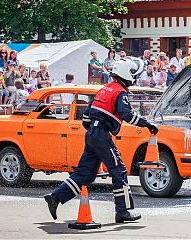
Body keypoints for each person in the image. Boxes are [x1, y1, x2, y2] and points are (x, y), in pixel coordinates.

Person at [44, 57, 159, 223]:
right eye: (133, 74)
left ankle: (55, 197)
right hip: (101, 135)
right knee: (119, 170)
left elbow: (85, 117)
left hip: (92, 134)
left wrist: (94, 134)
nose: (134, 77)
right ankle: (123, 211)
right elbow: (127, 115)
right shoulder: (120, 92)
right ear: (127, 74)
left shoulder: (105, 89)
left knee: (85, 173)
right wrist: (147, 124)